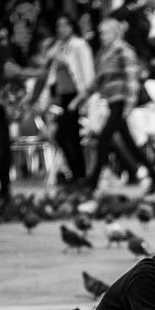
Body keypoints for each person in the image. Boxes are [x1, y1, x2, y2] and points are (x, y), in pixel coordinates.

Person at [69, 18, 155, 194]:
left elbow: (131, 79)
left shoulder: (123, 50)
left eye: (105, 32)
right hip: (113, 102)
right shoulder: (106, 53)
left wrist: (129, 104)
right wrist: (79, 99)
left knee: (103, 141)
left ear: (114, 32)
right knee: (128, 143)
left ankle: (92, 182)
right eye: (101, 33)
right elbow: (99, 80)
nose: (102, 36)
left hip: (121, 102)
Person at [43, 13, 94, 190]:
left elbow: (86, 70)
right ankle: (76, 174)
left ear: (72, 27)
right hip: (64, 96)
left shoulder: (79, 45)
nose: (61, 29)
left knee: (68, 135)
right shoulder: (60, 46)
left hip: (77, 94)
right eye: (59, 26)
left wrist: (85, 97)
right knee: (65, 136)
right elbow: (48, 61)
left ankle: (80, 175)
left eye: (65, 25)